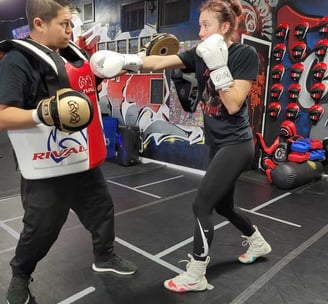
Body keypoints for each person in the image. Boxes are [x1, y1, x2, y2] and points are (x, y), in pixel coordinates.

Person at [90, 0, 271, 294]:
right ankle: (257, 241)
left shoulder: (244, 55)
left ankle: (197, 272)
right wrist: (124, 61)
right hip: (217, 142)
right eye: (199, 25)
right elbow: (161, 61)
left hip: (237, 144)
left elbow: (234, 102)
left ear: (225, 27)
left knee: (201, 205)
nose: (200, 33)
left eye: (206, 26)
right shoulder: (199, 54)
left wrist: (218, 65)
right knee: (223, 205)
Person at [0, 1, 137, 303]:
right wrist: (42, 113)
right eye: (64, 24)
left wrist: (113, 69)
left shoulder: (72, 57)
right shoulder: (17, 61)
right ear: (39, 24)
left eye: (71, 24)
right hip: (45, 165)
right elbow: (2, 115)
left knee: (102, 209)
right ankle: (21, 275)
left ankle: (104, 256)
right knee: (42, 228)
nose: (71, 31)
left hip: (81, 156)